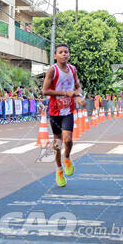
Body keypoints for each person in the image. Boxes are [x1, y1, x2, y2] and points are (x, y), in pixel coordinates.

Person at [42, 43, 86, 187]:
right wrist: (66, 93)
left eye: (66, 52)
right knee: (57, 142)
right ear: (55, 56)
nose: (63, 54)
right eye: (60, 52)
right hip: (55, 110)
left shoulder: (73, 69)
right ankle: (59, 169)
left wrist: (78, 96)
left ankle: (67, 157)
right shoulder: (52, 71)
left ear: (69, 55)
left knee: (67, 140)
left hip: (68, 109)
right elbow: (45, 91)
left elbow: (77, 86)